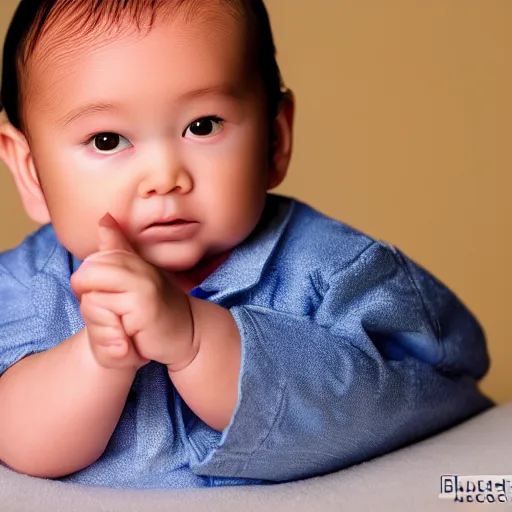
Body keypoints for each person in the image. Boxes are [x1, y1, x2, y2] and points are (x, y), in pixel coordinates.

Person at [0, 0, 493, 490]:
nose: (164, 178)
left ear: (275, 139)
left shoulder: (334, 273)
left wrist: (198, 341)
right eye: (107, 140)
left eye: (203, 125)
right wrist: (98, 356)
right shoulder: (21, 289)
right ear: (30, 171)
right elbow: (14, 438)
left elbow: (428, 395)